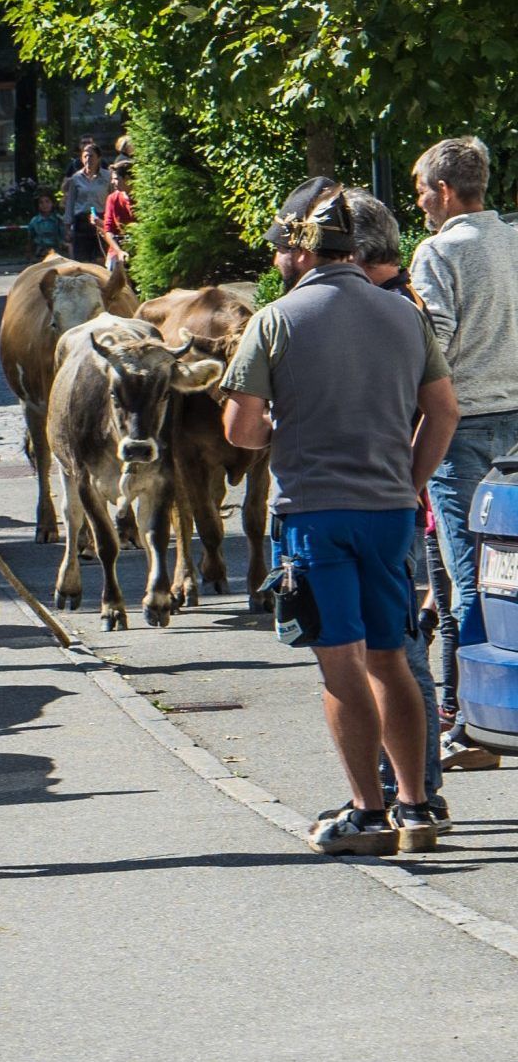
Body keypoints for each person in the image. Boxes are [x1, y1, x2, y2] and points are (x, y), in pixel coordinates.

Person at [221, 178, 459, 856]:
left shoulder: (278, 319)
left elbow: (241, 430)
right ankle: (416, 807)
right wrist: (410, 481)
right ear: (358, 248)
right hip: (389, 511)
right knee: (394, 659)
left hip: (315, 513)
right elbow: (444, 410)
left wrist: (286, 428)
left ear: (304, 249)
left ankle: (367, 812)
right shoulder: (404, 313)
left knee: (341, 668)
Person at [408, 138, 518, 743]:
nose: (421, 201)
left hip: (465, 425)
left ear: (445, 191)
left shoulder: (437, 252)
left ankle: (475, 720)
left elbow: (435, 344)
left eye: (423, 189)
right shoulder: (515, 238)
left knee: (469, 575)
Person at [346, 191, 448, 820]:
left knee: (397, 650)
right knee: (391, 647)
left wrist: (407, 482)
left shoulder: (392, 307)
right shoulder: (400, 298)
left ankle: (414, 790)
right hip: (397, 496)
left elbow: (433, 406)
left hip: (391, 501)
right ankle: (403, 786)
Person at [63, 142, 113, 266]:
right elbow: (70, 202)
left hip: (101, 220)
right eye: (85, 156)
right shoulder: (76, 178)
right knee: (83, 262)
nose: (88, 159)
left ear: (99, 158)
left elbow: (112, 199)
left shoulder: (107, 176)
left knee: (100, 260)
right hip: (81, 222)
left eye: (91, 156)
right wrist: (67, 226)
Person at [101, 157, 136, 259]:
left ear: (127, 179)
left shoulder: (144, 199)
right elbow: (108, 230)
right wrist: (119, 251)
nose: (112, 182)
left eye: (116, 179)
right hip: (118, 249)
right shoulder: (112, 198)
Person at [25, 189, 65, 262]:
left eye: (47, 202)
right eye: (41, 203)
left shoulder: (58, 220)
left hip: (56, 252)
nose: (44, 205)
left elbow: (63, 236)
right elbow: (30, 238)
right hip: (40, 253)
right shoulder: (34, 221)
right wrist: (29, 253)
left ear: (52, 203)